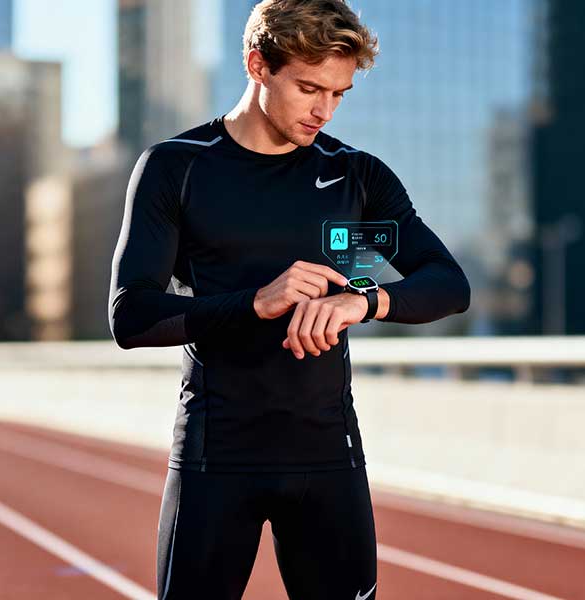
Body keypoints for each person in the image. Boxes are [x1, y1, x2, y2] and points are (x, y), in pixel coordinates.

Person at [108, 1, 470, 598]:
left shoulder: (352, 179)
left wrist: (365, 300)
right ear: (258, 65)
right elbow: (132, 316)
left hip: (328, 457)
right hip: (215, 458)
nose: (323, 110)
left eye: (339, 93)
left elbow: (446, 283)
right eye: (308, 88)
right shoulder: (179, 169)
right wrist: (255, 302)